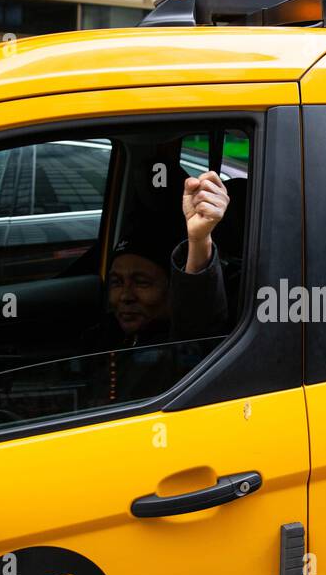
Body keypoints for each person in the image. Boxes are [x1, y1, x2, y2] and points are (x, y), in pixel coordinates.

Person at [86, 170, 231, 403]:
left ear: (173, 287)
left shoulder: (181, 351)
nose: (125, 296)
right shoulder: (106, 337)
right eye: (116, 282)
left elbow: (197, 319)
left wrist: (199, 239)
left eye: (141, 282)